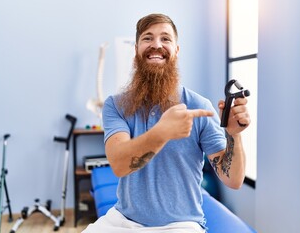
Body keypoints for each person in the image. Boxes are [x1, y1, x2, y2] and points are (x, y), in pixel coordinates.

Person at [82, 13, 250, 233]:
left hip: (181, 225)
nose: (156, 45)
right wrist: (163, 131)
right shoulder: (116, 104)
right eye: (147, 38)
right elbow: (119, 164)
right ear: (136, 50)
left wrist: (234, 135)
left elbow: (233, 179)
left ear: (176, 51)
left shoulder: (200, 106)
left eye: (165, 39)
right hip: (122, 221)